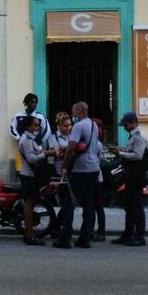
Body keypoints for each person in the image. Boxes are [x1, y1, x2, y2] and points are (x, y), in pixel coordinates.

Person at [58, 101, 101, 249]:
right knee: (89, 205)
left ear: (78, 111)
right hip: (94, 169)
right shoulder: (94, 125)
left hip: (80, 170)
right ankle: (85, 238)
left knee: (68, 202)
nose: (72, 115)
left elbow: (71, 148)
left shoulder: (78, 126)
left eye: (73, 112)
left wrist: (64, 166)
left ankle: (65, 238)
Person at [109, 112, 148, 247]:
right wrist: (120, 149)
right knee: (130, 206)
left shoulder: (139, 137)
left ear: (132, 122)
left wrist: (120, 153)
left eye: (126, 125)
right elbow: (130, 151)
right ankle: (128, 234)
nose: (124, 127)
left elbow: (137, 156)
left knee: (136, 206)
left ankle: (139, 237)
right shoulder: (134, 136)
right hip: (131, 175)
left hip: (137, 176)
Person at [17, 116, 57, 246]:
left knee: (32, 203)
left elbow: (38, 151)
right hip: (28, 175)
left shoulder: (30, 138)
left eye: (38, 125)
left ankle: (29, 233)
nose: (38, 128)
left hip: (31, 175)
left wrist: (49, 152)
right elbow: (31, 159)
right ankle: (29, 235)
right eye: (35, 125)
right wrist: (46, 154)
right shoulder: (27, 140)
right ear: (28, 126)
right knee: (29, 204)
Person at [45, 112, 73, 238]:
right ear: (59, 126)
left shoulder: (72, 135)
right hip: (59, 172)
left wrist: (66, 151)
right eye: (66, 126)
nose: (69, 128)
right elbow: (57, 153)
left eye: (70, 125)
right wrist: (69, 151)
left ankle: (56, 227)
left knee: (69, 202)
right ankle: (58, 228)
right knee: (66, 201)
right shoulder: (53, 137)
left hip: (72, 171)